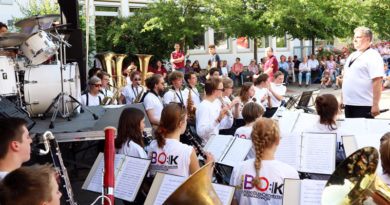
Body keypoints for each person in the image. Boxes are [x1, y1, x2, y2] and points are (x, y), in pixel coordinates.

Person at [230, 118, 299, 205]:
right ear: (278, 141)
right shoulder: (290, 173)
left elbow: (234, 202)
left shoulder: (239, 168)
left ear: (252, 139)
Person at [146, 103, 215, 177]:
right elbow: (202, 187)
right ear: (180, 124)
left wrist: (187, 156)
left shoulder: (152, 145)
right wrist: (209, 165)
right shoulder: (187, 151)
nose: (186, 123)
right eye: (185, 120)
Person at [341, 27, 384, 118]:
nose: (354, 40)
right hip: (349, 104)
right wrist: (342, 98)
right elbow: (346, 78)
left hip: (363, 105)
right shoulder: (352, 55)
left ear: (367, 39)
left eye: (358, 37)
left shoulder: (373, 55)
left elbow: (378, 80)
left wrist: (375, 104)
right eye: (354, 37)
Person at [305, 94, 347, 163]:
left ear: (317, 111)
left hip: (312, 173)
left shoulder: (306, 133)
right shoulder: (345, 135)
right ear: (336, 112)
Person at [196, 77, 230, 143]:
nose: (223, 91)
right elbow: (201, 132)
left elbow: (225, 125)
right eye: (222, 89)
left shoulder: (215, 104)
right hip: (207, 145)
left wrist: (228, 114)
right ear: (215, 91)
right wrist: (218, 120)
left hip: (214, 141)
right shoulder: (204, 106)